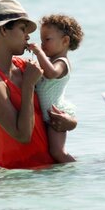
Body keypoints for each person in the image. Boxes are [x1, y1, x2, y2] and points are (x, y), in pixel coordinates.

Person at [0, 0, 77, 169]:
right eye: (23, 29)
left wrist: (70, 122)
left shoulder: (25, 67)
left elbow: (53, 98)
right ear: (3, 30)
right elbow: (22, 135)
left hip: (48, 174)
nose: (28, 37)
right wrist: (28, 85)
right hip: (18, 180)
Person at [28, 14, 84, 163]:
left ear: (65, 41)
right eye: (41, 41)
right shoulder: (50, 61)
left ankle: (77, 169)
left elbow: (51, 73)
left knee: (57, 152)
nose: (42, 45)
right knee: (46, 152)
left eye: (47, 40)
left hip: (56, 115)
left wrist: (38, 53)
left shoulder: (62, 62)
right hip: (46, 115)